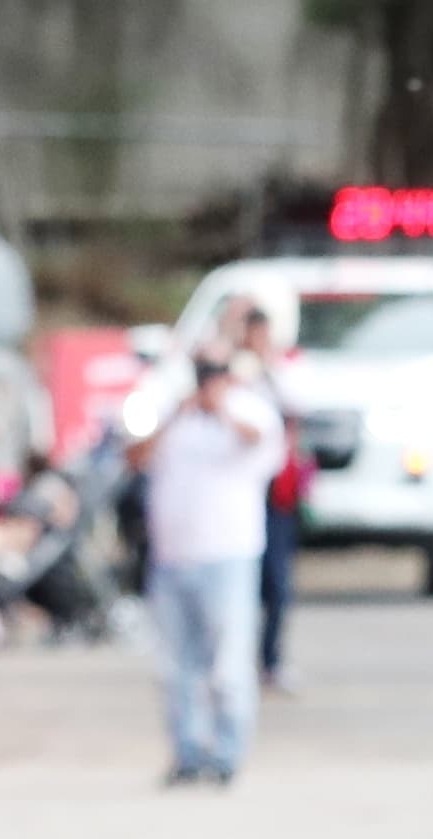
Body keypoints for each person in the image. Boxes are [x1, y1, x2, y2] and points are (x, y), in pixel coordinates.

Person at [126, 351, 284, 785]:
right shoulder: (172, 413)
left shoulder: (249, 409)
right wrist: (176, 416)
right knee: (176, 665)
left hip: (228, 554)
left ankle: (228, 752)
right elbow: (135, 457)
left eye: (216, 374)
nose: (208, 381)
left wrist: (222, 412)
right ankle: (187, 752)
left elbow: (261, 444)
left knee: (228, 663)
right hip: (173, 556)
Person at [224, 302, 309, 697]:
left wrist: (267, 367)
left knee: (277, 582)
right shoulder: (228, 373)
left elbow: (299, 402)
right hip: (236, 492)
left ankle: (270, 659)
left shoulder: (279, 372)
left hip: (275, 492)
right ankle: (236, 659)